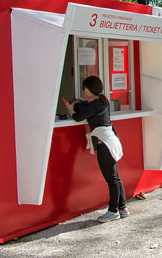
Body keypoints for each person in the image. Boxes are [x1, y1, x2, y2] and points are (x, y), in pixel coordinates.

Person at [63, 76, 128, 223]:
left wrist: (70, 109)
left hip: (105, 145)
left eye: (85, 88)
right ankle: (122, 208)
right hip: (110, 142)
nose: (84, 90)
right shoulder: (101, 102)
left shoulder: (95, 105)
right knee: (115, 178)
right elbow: (87, 108)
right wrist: (82, 103)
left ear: (90, 89)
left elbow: (78, 117)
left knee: (112, 180)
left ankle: (113, 211)